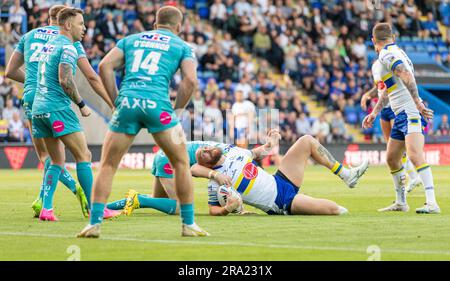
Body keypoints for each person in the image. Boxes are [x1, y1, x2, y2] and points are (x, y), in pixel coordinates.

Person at [78, 6, 209, 238]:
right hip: (158, 106)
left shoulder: (131, 39)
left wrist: (115, 101)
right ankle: (188, 224)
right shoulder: (182, 46)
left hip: (128, 103)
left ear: (155, 24)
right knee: (180, 163)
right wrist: (177, 109)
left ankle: (94, 224)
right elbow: (190, 81)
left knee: (107, 165)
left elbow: (104, 66)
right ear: (179, 27)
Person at [5, 5, 115, 218]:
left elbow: (10, 71)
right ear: (67, 22)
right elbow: (79, 78)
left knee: (51, 159)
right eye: (81, 23)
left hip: (34, 101)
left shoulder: (32, 37)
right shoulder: (68, 45)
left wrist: (35, 82)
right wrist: (90, 104)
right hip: (55, 103)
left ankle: (45, 206)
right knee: (83, 154)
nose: (84, 28)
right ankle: (94, 206)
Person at [197, 130, 369, 216]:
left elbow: (257, 153)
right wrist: (226, 209)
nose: (206, 149)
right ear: (205, 164)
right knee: (334, 210)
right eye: (202, 154)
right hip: (281, 202)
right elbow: (212, 209)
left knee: (306, 141)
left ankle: (347, 176)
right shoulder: (215, 182)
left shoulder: (234, 152)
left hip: (280, 179)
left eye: (206, 148)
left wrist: (270, 143)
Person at [362, 23, 440, 214]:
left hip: (410, 111)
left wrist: (418, 103)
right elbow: (390, 90)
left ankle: (432, 203)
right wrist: (374, 113)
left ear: (373, 41)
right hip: (400, 114)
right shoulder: (397, 52)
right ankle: (401, 202)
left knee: (414, 155)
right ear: (393, 37)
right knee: (391, 158)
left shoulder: (385, 55)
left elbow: (405, 75)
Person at [107, 141, 234, 215]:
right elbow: (194, 169)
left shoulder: (219, 148)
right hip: (168, 161)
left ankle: (106, 207)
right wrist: (216, 175)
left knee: (158, 200)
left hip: (164, 154)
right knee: (180, 207)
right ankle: (138, 199)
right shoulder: (212, 156)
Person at [361, 60, 422, 193]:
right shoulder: (375, 65)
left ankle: (412, 176)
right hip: (384, 109)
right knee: (391, 147)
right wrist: (368, 95)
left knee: (399, 145)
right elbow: (379, 86)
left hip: (395, 107)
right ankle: (411, 177)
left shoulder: (391, 61)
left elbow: (393, 85)